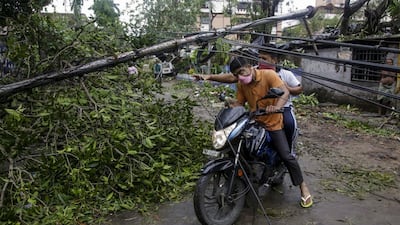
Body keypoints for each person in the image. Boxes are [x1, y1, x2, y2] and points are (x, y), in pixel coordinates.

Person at [227, 56, 312, 208]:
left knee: (286, 155)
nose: (240, 77)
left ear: (250, 66)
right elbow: (240, 103)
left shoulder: (269, 75)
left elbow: (285, 92)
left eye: (241, 72)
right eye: (236, 75)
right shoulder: (241, 84)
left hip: (273, 123)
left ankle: (303, 188)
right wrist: (230, 105)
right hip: (255, 122)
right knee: (240, 149)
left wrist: (277, 106)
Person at [193, 49, 303, 155]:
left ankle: (290, 149)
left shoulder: (283, 74)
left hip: (281, 108)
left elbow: (294, 90)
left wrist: (285, 89)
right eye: (259, 57)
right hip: (258, 113)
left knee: (288, 127)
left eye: (264, 58)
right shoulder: (251, 72)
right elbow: (232, 79)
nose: (261, 60)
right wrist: (210, 77)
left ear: (274, 60)